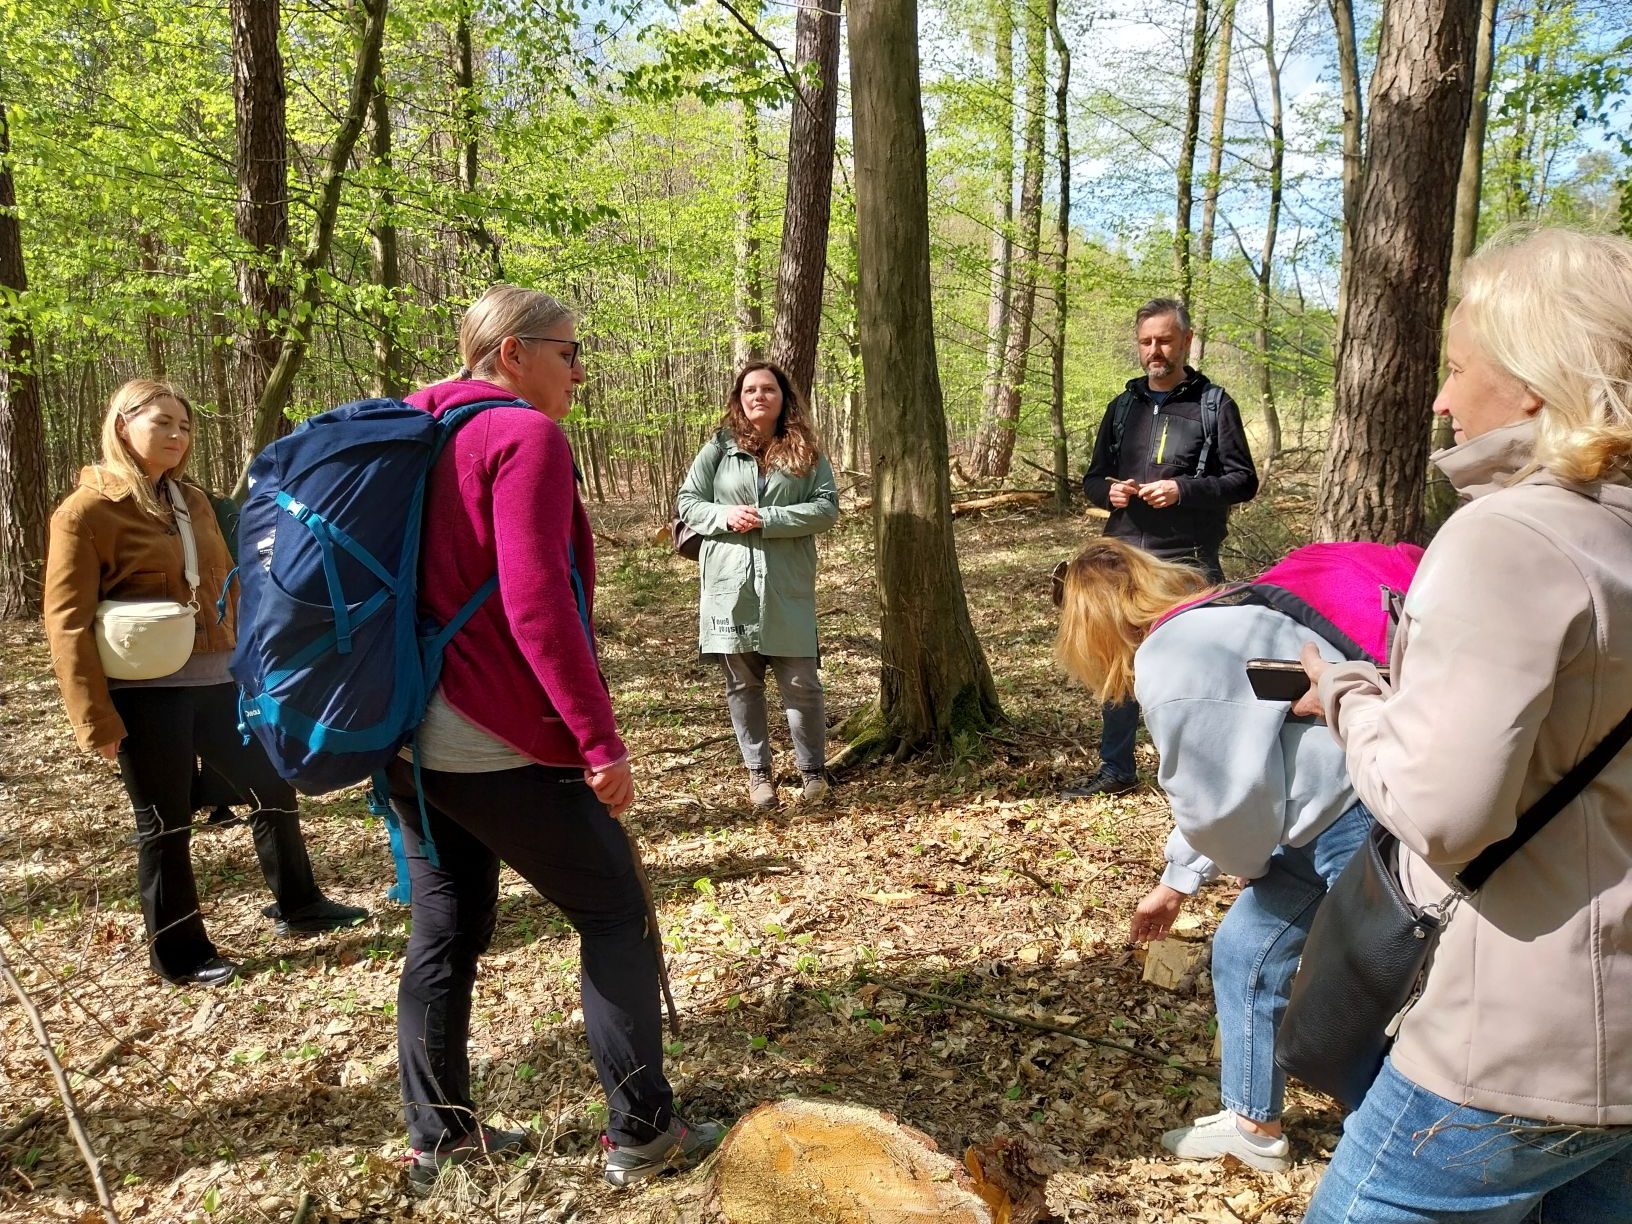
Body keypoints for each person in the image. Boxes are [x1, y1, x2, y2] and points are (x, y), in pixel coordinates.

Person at [1295, 230, 1632, 1221]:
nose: (1441, 398)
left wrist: (1351, 701)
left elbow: (1446, 811)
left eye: (1455, 366)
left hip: (1506, 1054)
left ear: (1531, 379)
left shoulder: (1509, 536)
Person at [388, 286, 721, 1190]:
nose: (579, 369)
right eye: (568, 353)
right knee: (614, 911)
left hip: (406, 737)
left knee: (446, 928)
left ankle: (438, 1140)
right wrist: (598, 741)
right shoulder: (522, 436)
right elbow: (538, 603)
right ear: (512, 355)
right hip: (491, 735)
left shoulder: (414, 427)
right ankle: (644, 1130)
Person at [1054, 537, 1370, 1172]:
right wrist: (1179, 881)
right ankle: (1253, 1126)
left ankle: (1415, 1135)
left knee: (1381, 979)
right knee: (1245, 950)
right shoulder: (1227, 618)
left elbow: (1217, 803)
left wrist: (1240, 864)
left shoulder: (1171, 663)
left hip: (1356, 812)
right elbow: (1257, 734)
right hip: (1329, 809)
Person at [43, 379, 366, 989]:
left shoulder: (193, 501)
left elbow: (234, 587)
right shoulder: (85, 512)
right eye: (161, 422)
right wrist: (96, 718)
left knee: (271, 786)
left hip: (221, 682)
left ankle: (299, 905)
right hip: (143, 694)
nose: (177, 435)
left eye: (185, 426)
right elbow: (66, 621)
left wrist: (260, 664)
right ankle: (180, 954)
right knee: (165, 823)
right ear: (122, 426)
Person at [1070, 299, 1259, 798]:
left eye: (1165, 340)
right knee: (1117, 658)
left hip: (1188, 557)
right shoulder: (1123, 407)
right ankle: (1116, 767)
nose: (1156, 351)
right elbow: (1092, 477)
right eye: (1147, 342)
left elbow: (1243, 480)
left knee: (1200, 658)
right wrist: (1104, 492)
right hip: (1122, 554)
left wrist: (1183, 490)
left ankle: (1206, 765)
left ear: (1186, 341)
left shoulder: (1213, 405)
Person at [677, 361, 839, 811]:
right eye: (750, 390)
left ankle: (812, 773)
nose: (758, 397)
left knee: (802, 683)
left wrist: (770, 519)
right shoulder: (718, 448)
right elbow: (688, 502)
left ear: (783, 397)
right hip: (731, 587)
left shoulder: (805, 451)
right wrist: (723, 516)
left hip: (787, 586)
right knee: (742, 686)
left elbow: (827, 508)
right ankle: (759, 776)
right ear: (739, 398)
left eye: (768, 389)